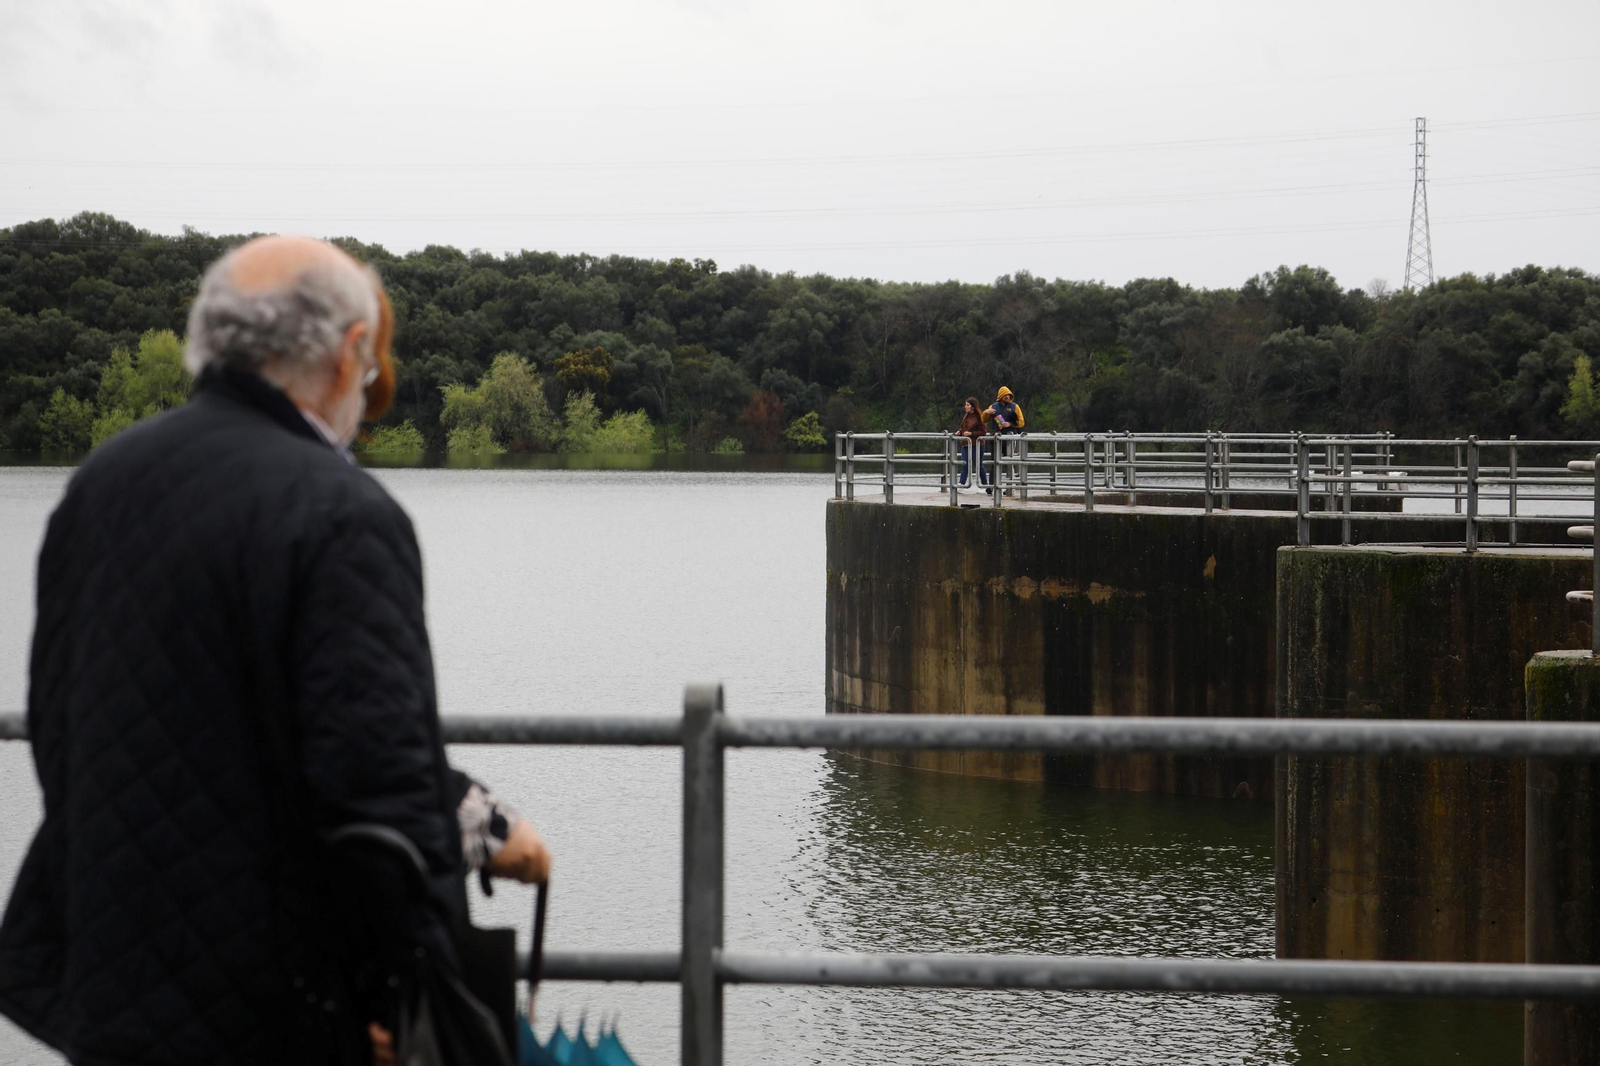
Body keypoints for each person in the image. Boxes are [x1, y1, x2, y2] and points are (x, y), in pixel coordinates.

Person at [0, 235, 550, 1066]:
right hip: (281, 1012)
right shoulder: (340, 512)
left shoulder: (102, 482)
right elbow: (375, 784)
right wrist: (398, 993)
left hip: (115, 993)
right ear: (351, 352)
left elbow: (60, 729)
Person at [982, 386, 1025, 493]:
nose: (1007, 397)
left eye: (1008, 395)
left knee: (1008, 462)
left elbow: (1021, 422)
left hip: (1010, 438)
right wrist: (986, 412)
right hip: (996, 437)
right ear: (1000, 396)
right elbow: (983, 420)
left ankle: (1009, 487)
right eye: (1005, 395)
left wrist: (1010, 424)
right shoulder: (993, 406)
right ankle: (991, 486)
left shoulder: (1015, 406)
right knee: (994, 461)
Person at [955, 396, 989, 490]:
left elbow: (983, 432)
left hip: (977, 445)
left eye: (967, 405)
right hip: (966, 444)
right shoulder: (966, 416)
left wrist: (971, 433)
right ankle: (961, 484)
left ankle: (985, 485)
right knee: (965, 464)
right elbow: (963, 428)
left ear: (973, 407)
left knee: (978, 465)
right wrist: (960, 432)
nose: (965, 407)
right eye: (965, 405)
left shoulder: (980, 417)